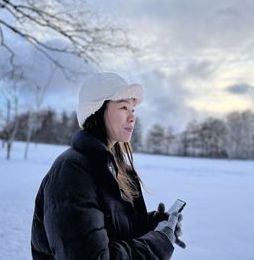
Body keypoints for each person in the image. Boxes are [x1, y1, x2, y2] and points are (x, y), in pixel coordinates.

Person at [31, 72, 185, 259]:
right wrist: (158, 244)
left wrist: (154, 225)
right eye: (123, 107)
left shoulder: (116, 168)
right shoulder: (72, 171)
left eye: (133, 109)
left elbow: (115, 231)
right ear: (97, 110)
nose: (132, 117)